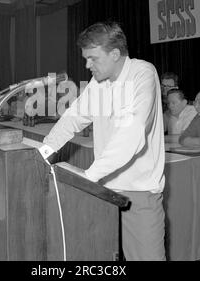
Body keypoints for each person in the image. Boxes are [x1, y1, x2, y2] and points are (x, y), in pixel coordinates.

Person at [42, 22, 165, 260]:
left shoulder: (143, 73)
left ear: (115, 54)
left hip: (137, 192)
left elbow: (134, 132)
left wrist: (90, 175)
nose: (87, 65)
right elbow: (73, 118)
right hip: (103, 188)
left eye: (93, 58)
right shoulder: (98, 83)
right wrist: (43, 152)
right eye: (85, 58)